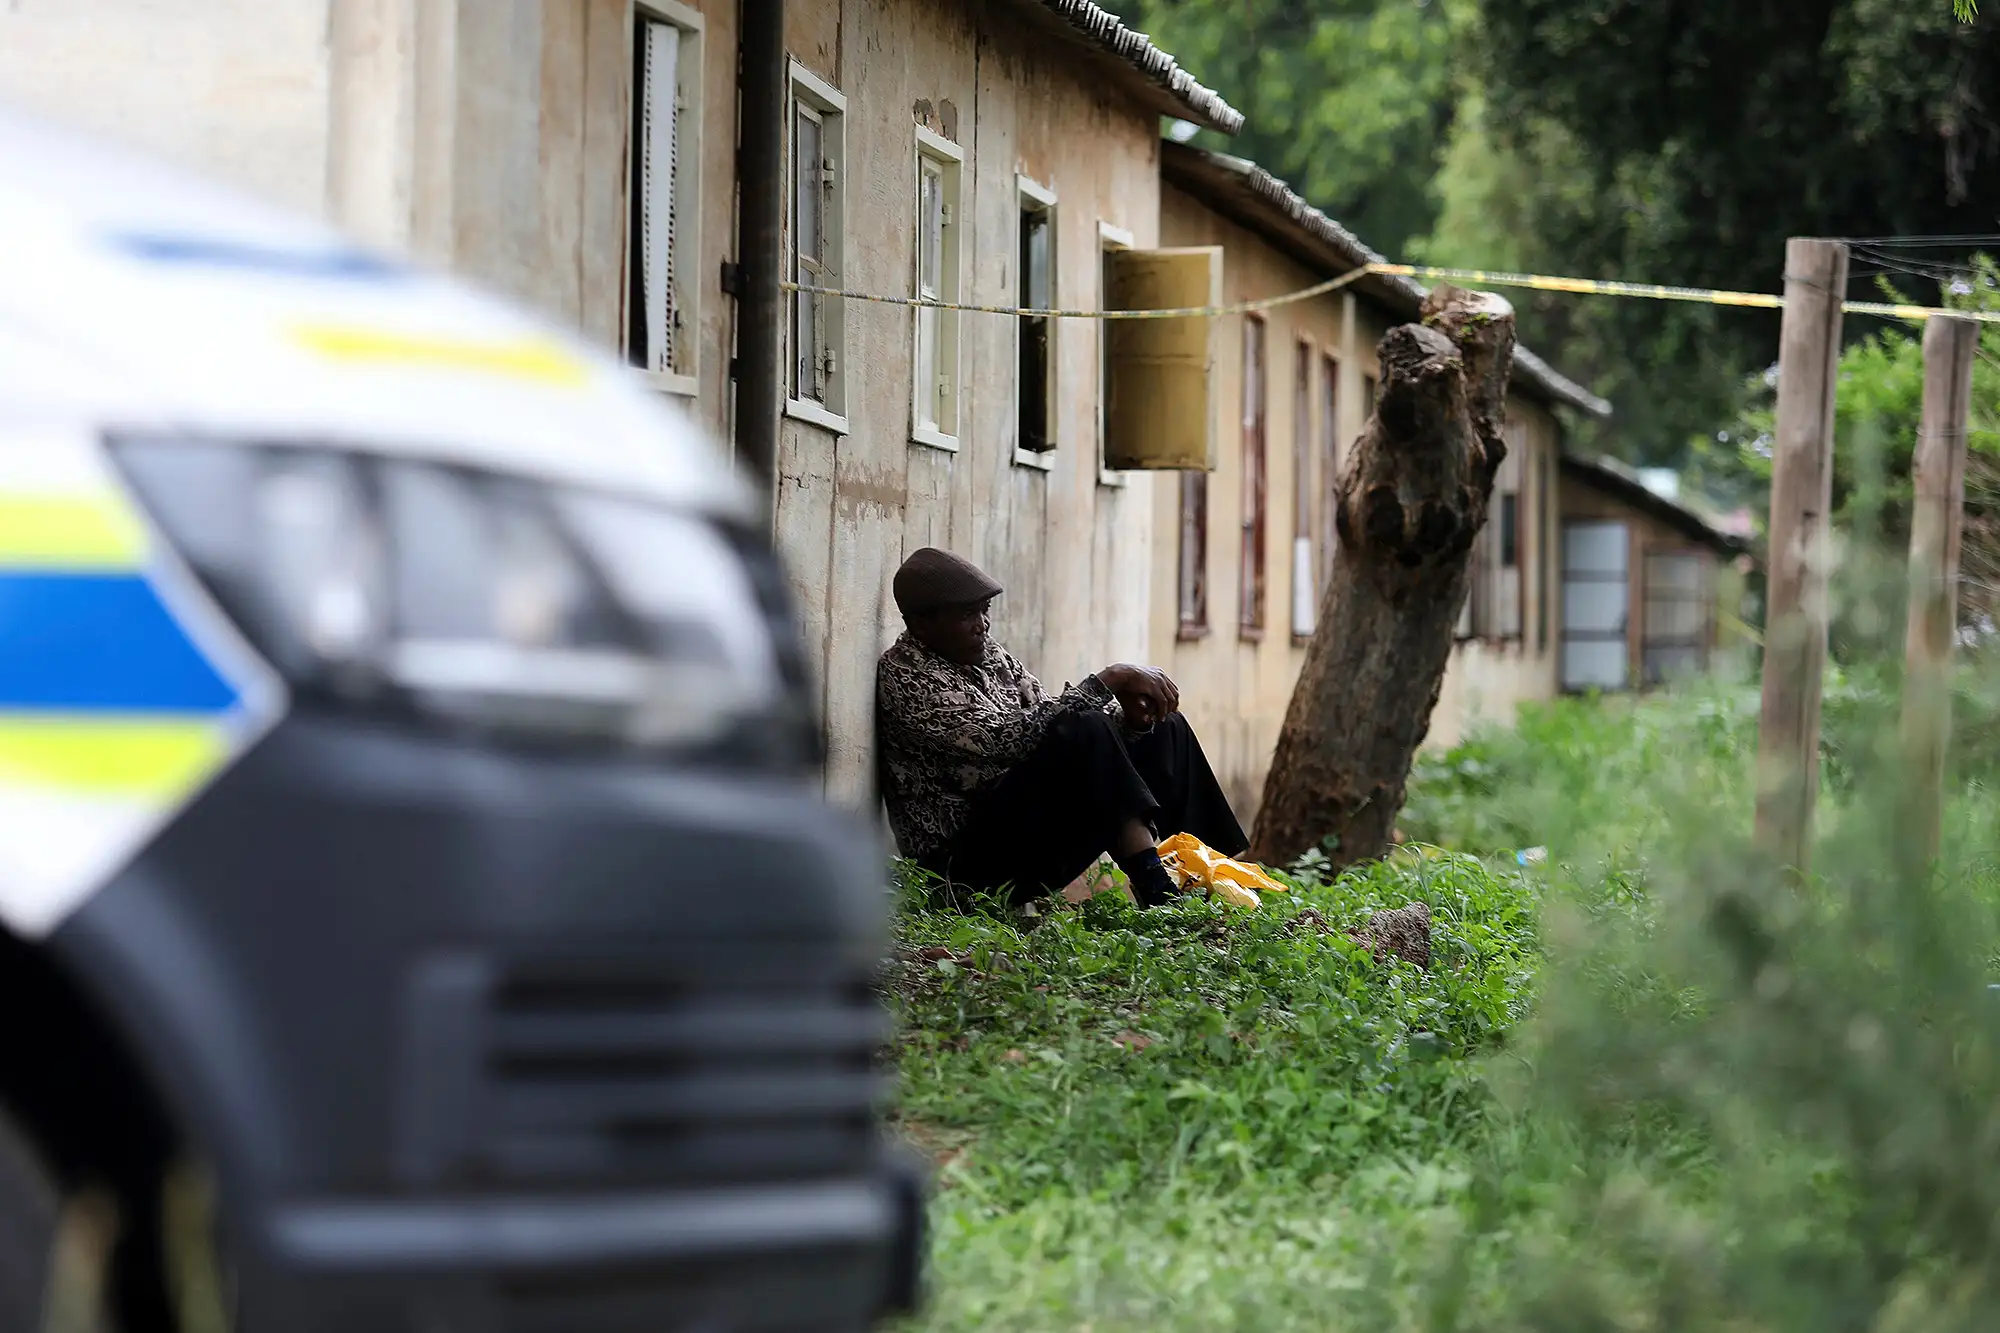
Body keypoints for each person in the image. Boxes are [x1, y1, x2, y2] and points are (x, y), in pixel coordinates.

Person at [875, 547, 1249, 908]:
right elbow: (1008, 740)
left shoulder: (990, 655)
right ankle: (1156, 889)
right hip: (962, 866)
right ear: (922, 622)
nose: (982, 625)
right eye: (967, 615)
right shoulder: (906, 676)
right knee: (1086, 728)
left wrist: (1133, 725)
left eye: (984, 611)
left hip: (1019, 830)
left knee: (1163, 727)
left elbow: (1047, 717)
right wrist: (1109, 680)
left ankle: (1209, 876)